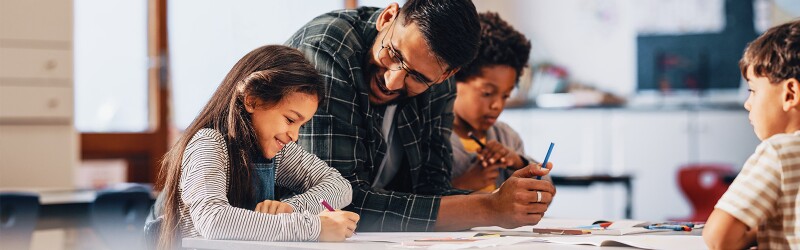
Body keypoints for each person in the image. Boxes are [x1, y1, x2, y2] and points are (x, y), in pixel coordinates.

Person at [286, 0, 555, 232]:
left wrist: (508, 201)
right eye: (393, 54)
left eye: (417, 77)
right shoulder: (328, 51)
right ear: (387, 17)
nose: (392, 81)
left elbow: (430, 190)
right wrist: (488, 208)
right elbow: (334, 202)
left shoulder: (438, 84)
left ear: (446, 75)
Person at [153, 45, 359, 249]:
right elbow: (214, 220)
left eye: (301, 126)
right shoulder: (208, 144)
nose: (295, 136)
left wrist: (289, 209)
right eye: (289, 120)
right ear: (252, 100)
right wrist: (314, 227)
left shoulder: (277, 151)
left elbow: (339, 187)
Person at [703, 20, 800, 249]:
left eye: (753, 90)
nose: (748, 104)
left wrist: (754, 235)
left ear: (790, 94)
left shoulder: (778, 152)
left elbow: (718, 239)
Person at [450, 12, 545, 192]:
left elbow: (544, 188)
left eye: (505, 96)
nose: (497, 105)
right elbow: (418, 202)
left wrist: (518, 162)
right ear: (452, 77)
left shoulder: (507, 137)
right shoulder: (433, 140)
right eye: (487, 93)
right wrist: (461, 185)